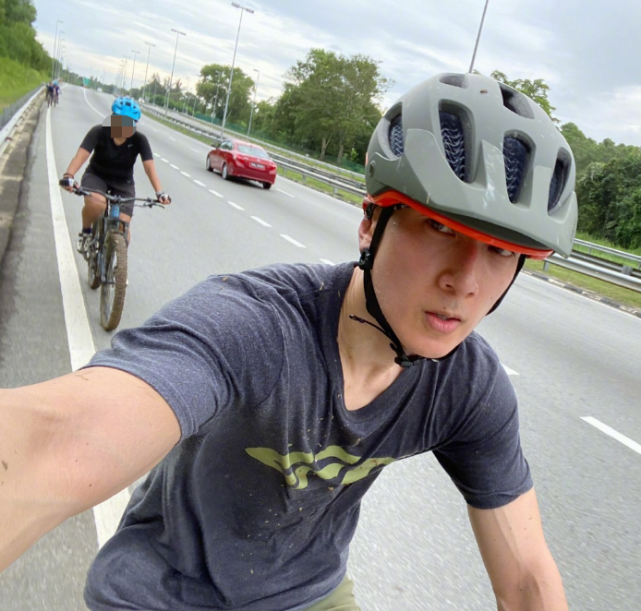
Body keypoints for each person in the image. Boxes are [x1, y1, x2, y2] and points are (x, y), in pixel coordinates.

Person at [0, 72, 577, 610]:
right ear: (372, 223)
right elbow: (55, 443)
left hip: (308, 594)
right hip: (164, 591)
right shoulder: (256, 325)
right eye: (441, 228)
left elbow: (526, 578)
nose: (466, 281)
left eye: (502, 251)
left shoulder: (467, 385)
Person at [60, 96, 171, 255]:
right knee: (97, 204)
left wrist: (160, 192)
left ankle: (117, 267)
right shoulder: (98, 131)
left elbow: (149, 167)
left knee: (123, 225)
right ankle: (85, 232)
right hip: (97, 176)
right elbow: (82, 155)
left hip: (123, 183)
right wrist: (69, 175)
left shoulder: (139, 140)